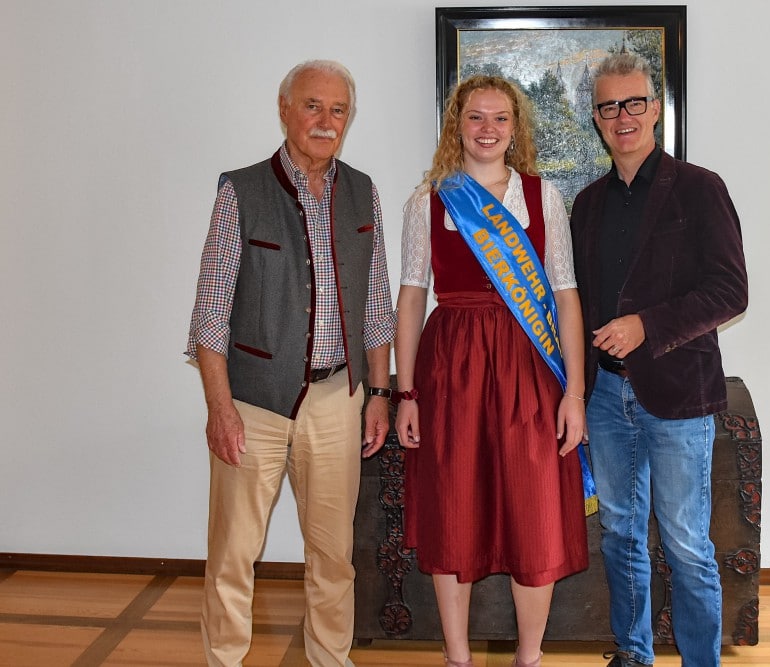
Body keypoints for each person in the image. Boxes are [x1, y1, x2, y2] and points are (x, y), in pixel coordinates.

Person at [185, 59, 396, 667]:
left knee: (333, 555)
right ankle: (223, 658)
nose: (325, 121)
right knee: (234, 551)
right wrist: (218, 408)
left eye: (338, 110)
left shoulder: (363, 191)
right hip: (253, 402)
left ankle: (331, 658)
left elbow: (376, 303)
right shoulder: (240, 190)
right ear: (285, 110)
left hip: (339, 400)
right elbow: (211, 310)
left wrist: (378, 396)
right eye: (312, 106)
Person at [394, 75, 590, 667]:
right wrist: (407, 393)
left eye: (500, 118)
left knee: (533, 510)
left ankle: (528, 657)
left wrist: (574, 390)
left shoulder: (543, 197)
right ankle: (458, 657)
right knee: (453, 506)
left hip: (530, 369)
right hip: (450, 367)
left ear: (515, 128)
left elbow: (565, 296)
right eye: (475, 117)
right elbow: (409, 298)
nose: (487, 129)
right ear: (457, 124)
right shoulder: (427, 200)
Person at [570, 54, 749, 667]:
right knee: (620, 535)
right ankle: (634, 653)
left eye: (634, 103)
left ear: (656, 107)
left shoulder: (700, 188)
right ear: (596, 118)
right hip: (604, 398)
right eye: (608, 106)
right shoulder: (586, 205)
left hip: (677, 394)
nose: (622, 117)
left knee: (686, 543)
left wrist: (647, 325)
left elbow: (731, 291)